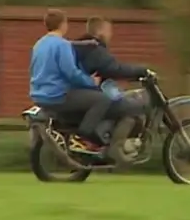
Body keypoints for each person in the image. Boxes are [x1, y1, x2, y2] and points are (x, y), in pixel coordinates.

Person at [29, 9, 114, 155]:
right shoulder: (62, 45)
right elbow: (71, 73)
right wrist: (91, 82)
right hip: (58, 95)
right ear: (63, 24)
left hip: (38, 95)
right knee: (102, 99)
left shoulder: (39, 45)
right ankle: (84, 138)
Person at [71, 16, 153, 149]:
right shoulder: (95, 49)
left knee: (119, 99)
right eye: (109, 31)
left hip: (83, 94)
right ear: (100, 32)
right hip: (92, 94)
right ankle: (118, 146)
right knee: (133, 107)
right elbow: (114, 69)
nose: (110, 35)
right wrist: (142, 70)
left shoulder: (80, 46)